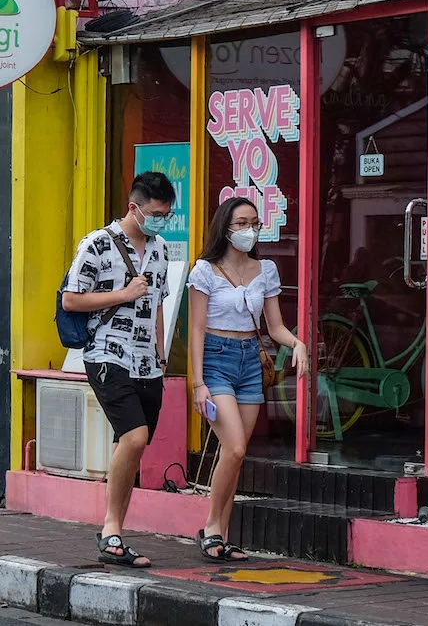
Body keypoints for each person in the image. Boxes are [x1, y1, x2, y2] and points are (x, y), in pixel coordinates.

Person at [62, 171, 175, 568]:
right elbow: (71, 301)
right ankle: (110, 529)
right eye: (156, 213)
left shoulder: (161, 249)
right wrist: (123, 294)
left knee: (130, 445)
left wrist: (161, 355)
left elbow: (158, 303)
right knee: (135, 437)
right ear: (134, 207)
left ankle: (115, 537)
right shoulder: (98, 243)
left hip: (147, 361)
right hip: (107, 353)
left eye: (167, 214)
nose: (161, 220)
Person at [188, 198, 308, 562]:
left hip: (250, 363)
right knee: (236, 447)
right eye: (241, 223)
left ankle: (222, 535)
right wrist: (197, 384)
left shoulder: (265, 269)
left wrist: (297, 343)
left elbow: (275, 327)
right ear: (225, 227)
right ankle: (209, 526)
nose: (249, 230)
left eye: (254, 223)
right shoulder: (205, 271)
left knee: (235, 455)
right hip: (216, 358)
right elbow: (194, 330)